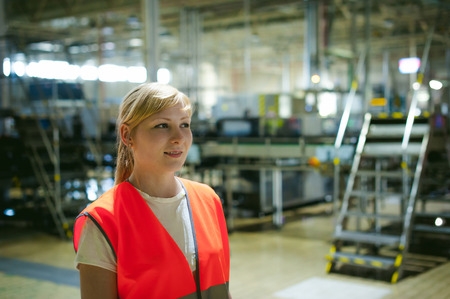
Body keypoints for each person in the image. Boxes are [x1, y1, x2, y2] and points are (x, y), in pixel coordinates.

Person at [73, 82, 230, 299]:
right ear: (128, 136)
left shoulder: (208, 200)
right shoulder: (103, 221)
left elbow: (221, 288)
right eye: (162, 126)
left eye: (184, 124)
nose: (179, 137)